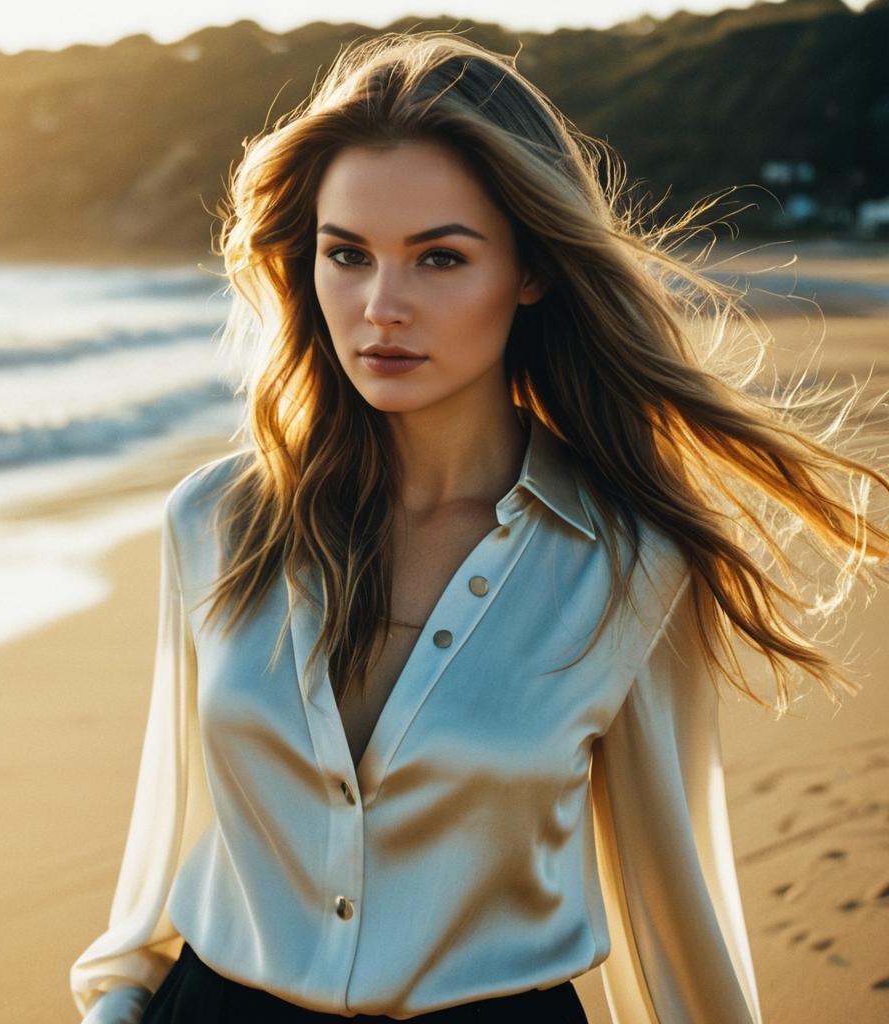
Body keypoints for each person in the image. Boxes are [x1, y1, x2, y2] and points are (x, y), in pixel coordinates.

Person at [69, 30, 889, 1024]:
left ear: (531, 270)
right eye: (346, 254)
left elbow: (674, 908)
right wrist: (116, 1004)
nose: (381, 307)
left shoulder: (629, 563)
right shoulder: (216, 519)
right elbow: (167, 843)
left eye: (439, 257)